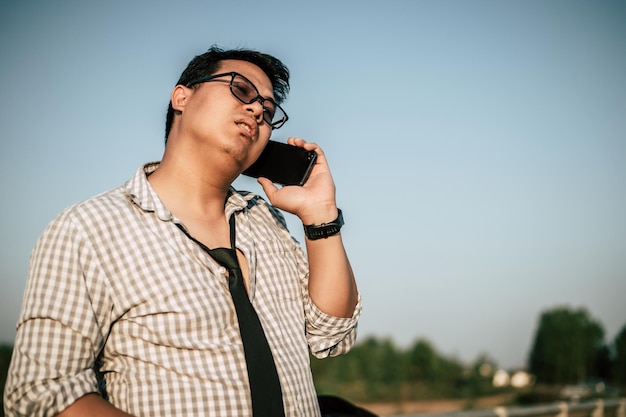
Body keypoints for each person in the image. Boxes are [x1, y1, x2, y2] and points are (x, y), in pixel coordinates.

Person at [4, 46, 362, 417]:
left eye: (268, 110)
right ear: (182, 97)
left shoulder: (267, 221)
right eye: (241, 91)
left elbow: (330, 334)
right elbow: (43, 392)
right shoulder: (88, 228)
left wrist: (321, 217)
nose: (258, 109)